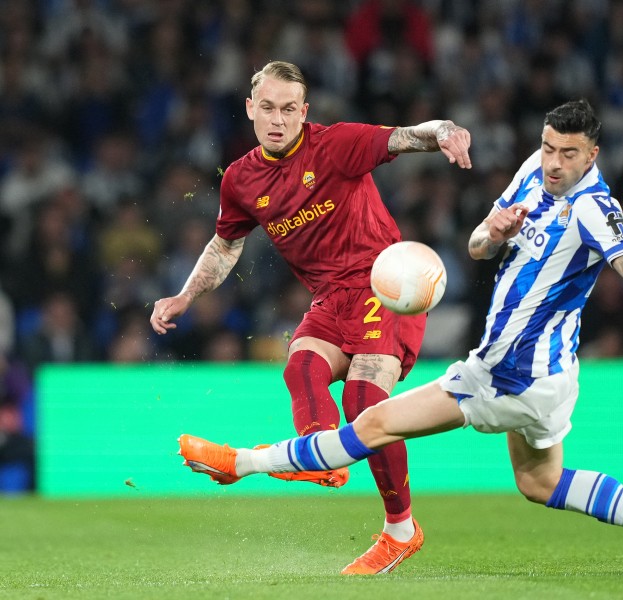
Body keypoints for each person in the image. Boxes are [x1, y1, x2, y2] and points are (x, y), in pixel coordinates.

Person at [177, 99, 623, 575]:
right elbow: (477, 248)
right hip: (547, 376)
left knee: (370, 424)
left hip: (508, 375)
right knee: (540, 482)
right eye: (548, 147)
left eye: (568, 154)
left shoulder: (595, 209)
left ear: (592, 156)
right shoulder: (530, 174)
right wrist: (492, 232)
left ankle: (242, 463)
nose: (553, 162)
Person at [151, 60, 472, 575]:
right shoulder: (240, 179)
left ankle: (400, 530)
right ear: (251, 110)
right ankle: (322, 465)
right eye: (268, 109)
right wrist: (185, 295)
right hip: (329, 297)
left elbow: (408, 137)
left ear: (304, 112)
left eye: (288, 110)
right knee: (301, 366)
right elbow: (225, 245)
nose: (278, 120)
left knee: (365, 399)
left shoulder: (336, 144)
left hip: (383, 284)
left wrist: (447, 132)